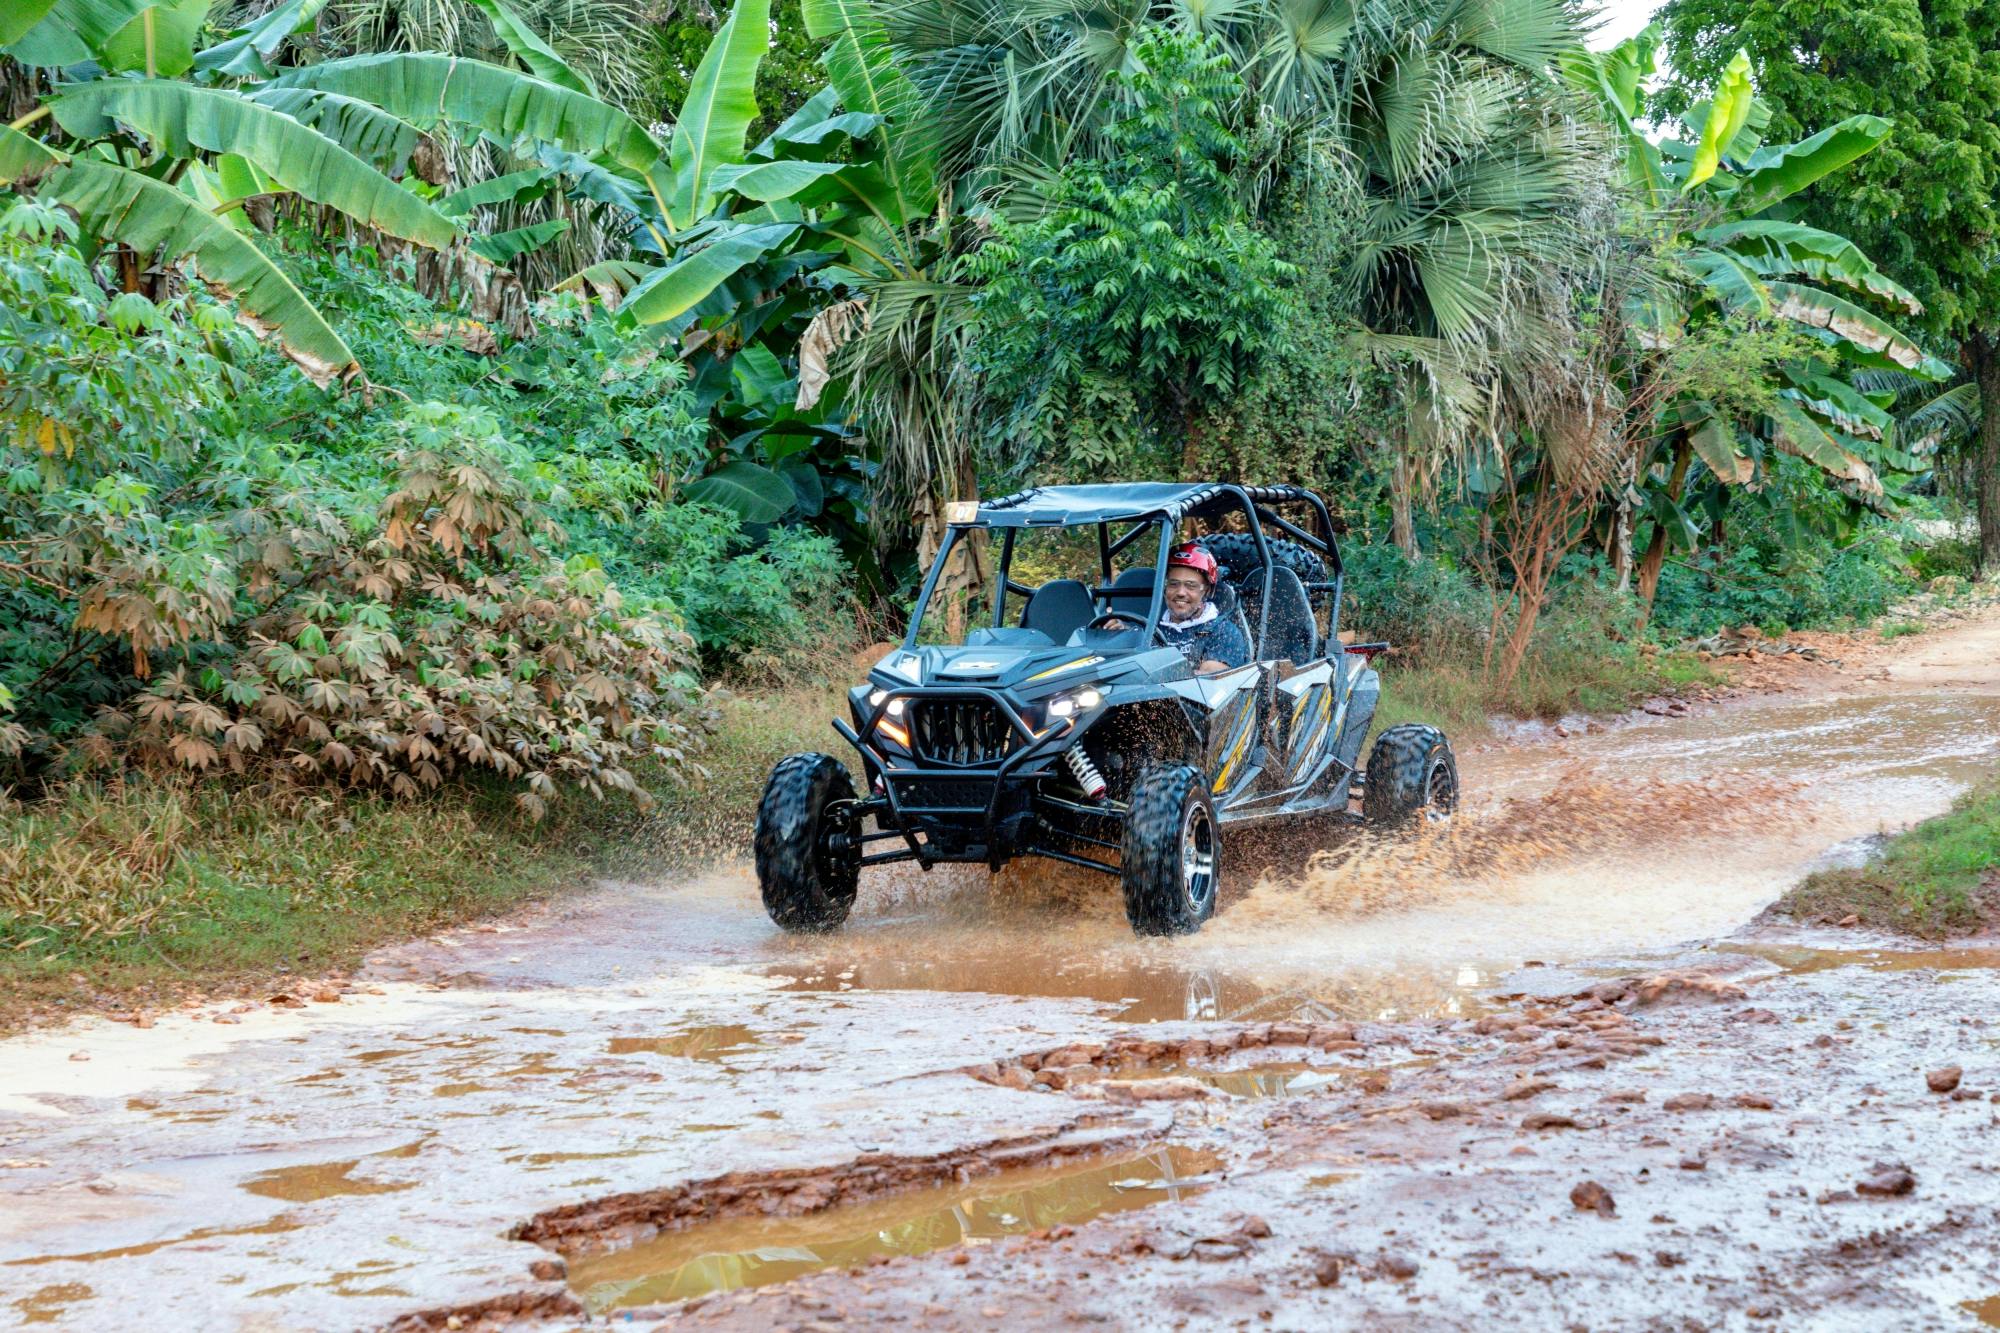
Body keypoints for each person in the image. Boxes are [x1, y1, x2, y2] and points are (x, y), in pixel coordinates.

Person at [1117, 544, 1249, 673]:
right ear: (1164, 588)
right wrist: (1120, 636)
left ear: (1207, 591)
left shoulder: (1224, 632)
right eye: (1173, 584)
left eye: (1191, 585)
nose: (1180, 592)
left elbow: (1207, 682)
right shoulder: (1149, 629)